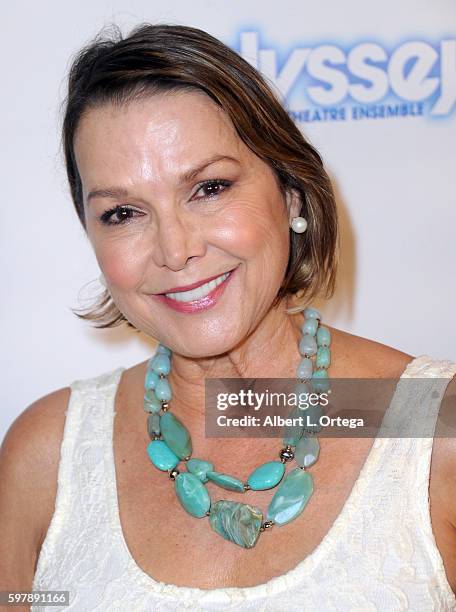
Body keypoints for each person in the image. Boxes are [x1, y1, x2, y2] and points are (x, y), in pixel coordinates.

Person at [0, 23, 455, 612]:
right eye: (122, 213)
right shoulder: (48, 452)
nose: (175, 248)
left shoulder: (431, 426)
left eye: (209, 188)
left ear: (291, 192)